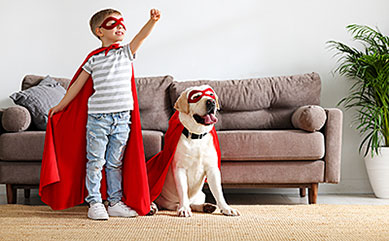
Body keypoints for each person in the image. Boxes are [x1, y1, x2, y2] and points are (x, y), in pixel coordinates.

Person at [43, 8, 160, 220]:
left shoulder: (126, 52)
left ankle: (114, 202)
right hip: (98, 119)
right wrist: (60, 106)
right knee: (96, 162)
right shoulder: (93, 60)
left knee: (115, 163)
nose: (120, 26)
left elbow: (141, 37)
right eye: (112, 23)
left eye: (122, 23)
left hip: (123, 119)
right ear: (99, 31)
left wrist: (151, 21)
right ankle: (95, 202)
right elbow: (77, 85)